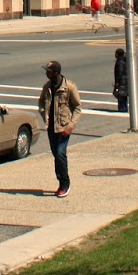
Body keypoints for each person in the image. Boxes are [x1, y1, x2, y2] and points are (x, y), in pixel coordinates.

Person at [38, 60, 82, 198]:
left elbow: (77, 108)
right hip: (51, 128)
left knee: (60, 153)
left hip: (63, 127)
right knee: (56, 155)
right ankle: (61, 181)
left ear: (56, 72)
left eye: (49, 71)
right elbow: (41, 102)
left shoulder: (69, 87)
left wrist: (70, 126)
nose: (46, 73)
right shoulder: (47, 86)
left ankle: (64, 184)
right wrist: (44, 115)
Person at [112, 48, 128, 113]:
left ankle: (122, 109)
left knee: (121, 95)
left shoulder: (120, 62)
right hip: (126, 80)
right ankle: (124, 108)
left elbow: (119, 73)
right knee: (124, 96)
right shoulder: (125, 60)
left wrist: (117, 83)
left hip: (122, 82)